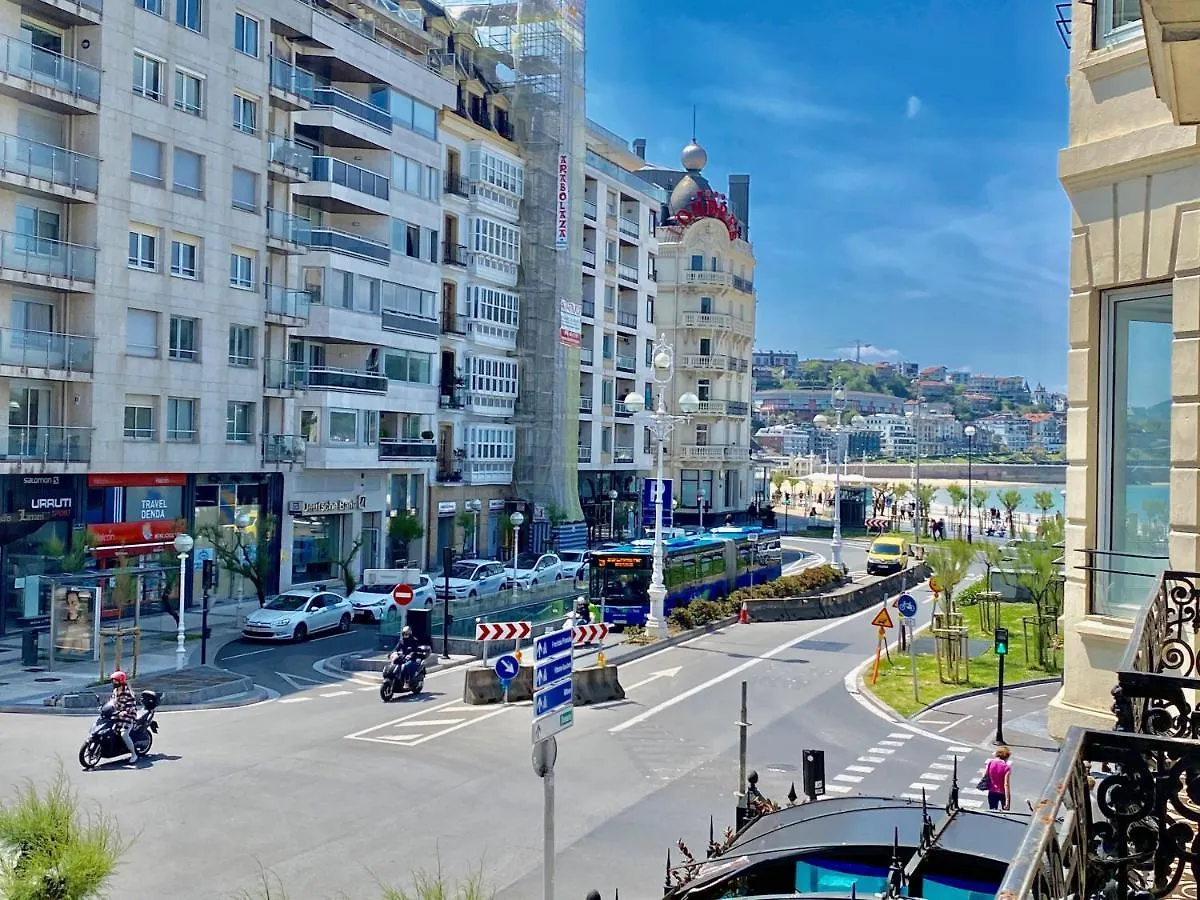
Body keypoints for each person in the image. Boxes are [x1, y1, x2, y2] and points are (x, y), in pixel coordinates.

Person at [109, 671, 140, 765]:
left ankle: (134, 754)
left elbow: (131, 706)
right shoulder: (115, 691)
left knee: (124, 734)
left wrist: (125, 711)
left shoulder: (128, 693)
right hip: (117, 714)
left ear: (121, 681)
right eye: (113, 681)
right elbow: (111, 702)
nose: (114, 683)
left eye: (116, 681)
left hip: (128, 716)